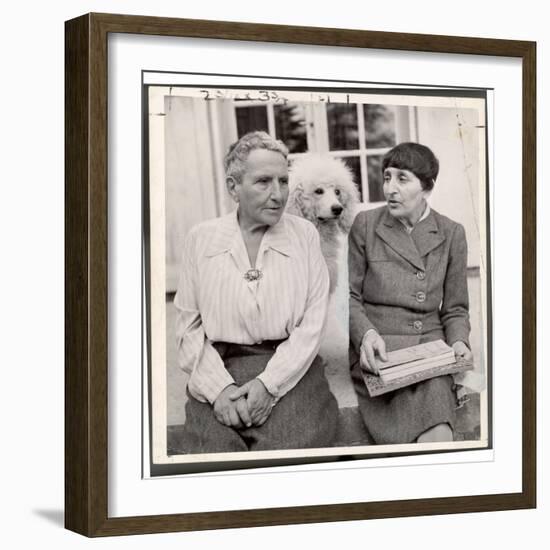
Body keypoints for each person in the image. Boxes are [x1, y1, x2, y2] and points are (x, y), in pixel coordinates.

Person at [174, 131, 338, 453]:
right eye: (263, 182)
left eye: (283, 181)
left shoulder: (304, 235)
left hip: (290, 367)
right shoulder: (202, 239)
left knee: (292, 449)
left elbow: (312, 323)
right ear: (233, 187)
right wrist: (218, 390)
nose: (278, 194)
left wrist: (269, 384)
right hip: (220, 364)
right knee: (213, 452)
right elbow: (188, 328)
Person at [348, 142, 473, 444]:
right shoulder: (366, 224)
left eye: (402, 179)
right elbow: (349, 298)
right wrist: (365, 335)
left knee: (438, 432)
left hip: (429, 351)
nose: (390, 188)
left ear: (427, 187)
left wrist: (458, 341)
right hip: (378, 349)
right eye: (387, 177)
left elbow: (455, 308)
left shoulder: (451, 232)